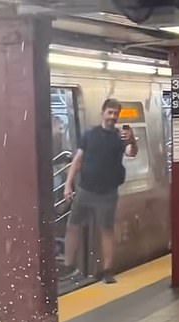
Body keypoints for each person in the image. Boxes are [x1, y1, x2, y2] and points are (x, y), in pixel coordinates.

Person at [63, 98, 138, 284]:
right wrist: (68, 183)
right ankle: (68, 265)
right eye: (110, 112)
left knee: (106, 230)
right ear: (102, 113)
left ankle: (107, 270)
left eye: (115, 114)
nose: (112, 117)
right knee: (73, 226)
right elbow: (77, 160)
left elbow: (131, 152)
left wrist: (133, 139)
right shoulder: (89, 135)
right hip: (85, 189)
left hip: (108, 193)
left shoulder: (120, 137)